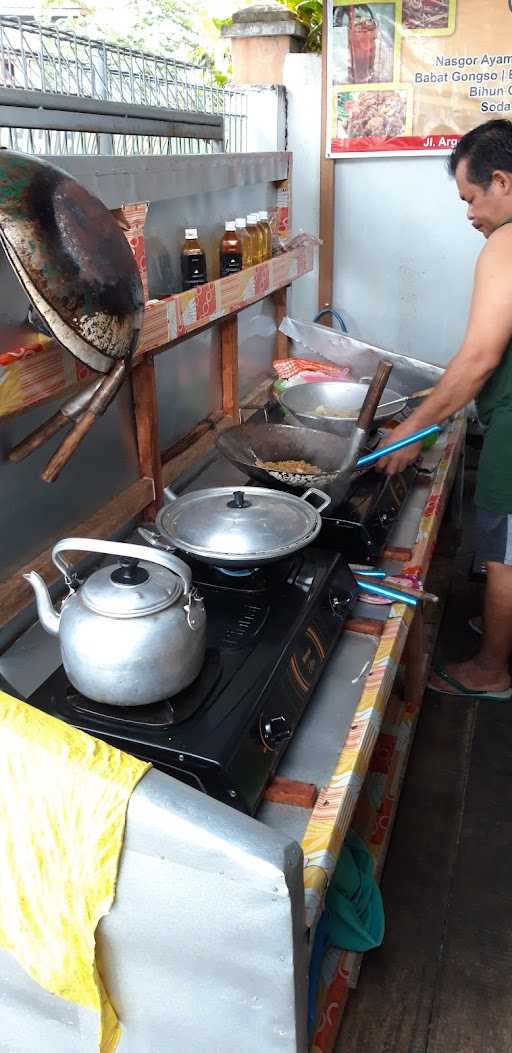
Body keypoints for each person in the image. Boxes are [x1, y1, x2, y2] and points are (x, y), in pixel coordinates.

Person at [377, 118, 512, 701]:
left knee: (506, 554)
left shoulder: (506, 243)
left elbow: (478, 358)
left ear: (502, 181)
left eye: (471, 197)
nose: (469, 214)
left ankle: (491, 669)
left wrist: (411, 429)